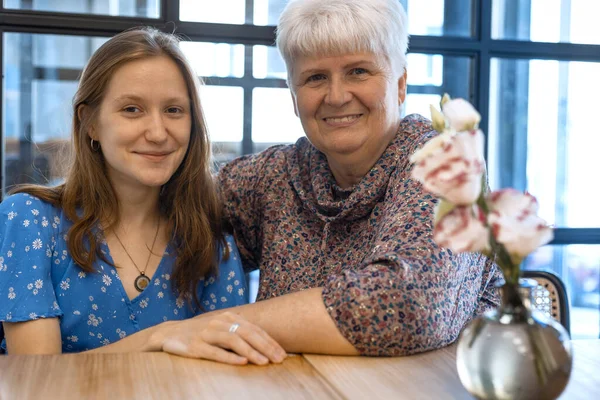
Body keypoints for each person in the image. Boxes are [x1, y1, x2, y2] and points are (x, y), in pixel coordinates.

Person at [119, 0, 500, 358]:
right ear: (293, 95)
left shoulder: (445, 164)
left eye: (359, 71)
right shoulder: (277, 175)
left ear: (400, 83)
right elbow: (165, 204)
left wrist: (212, 328)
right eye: (315, 78)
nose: (336, 96)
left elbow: (410, 305)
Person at [0, 28, 285, 365]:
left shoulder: (211, 242)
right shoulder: (29, 219)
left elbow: (227, 369)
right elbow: (38, 371)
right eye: (132, 109)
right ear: (90, 122)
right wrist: (160, 337)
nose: (157, 132)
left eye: (174, 110)